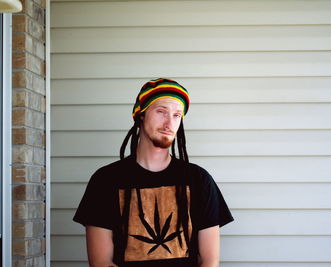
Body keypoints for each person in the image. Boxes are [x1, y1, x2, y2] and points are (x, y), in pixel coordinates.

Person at [73, 78, 234, 267]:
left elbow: (209, 261)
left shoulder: (199, 180)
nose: (169, 123)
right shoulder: (105, 180)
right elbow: (101, 262)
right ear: (141, 115)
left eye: (176, 115)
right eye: (161, 112)